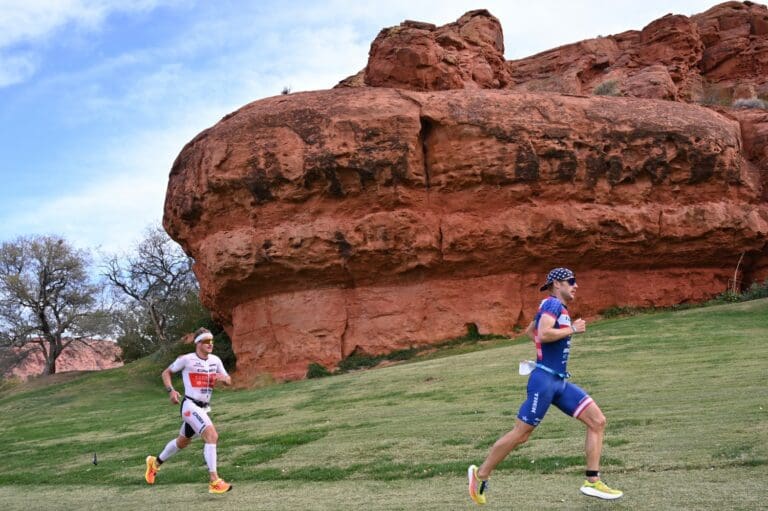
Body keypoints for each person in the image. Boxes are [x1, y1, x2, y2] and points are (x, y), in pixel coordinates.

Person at [467, 267, 623, 505]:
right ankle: (480, 475)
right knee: (521, 434)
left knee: (597, 421)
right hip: (544, 383)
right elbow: (543, 332)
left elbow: (532, 331)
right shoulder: (552, 305)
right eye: (572, 281)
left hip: (558, 382)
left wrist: (544, 350)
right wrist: (572, 329)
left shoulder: (555, 308)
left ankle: (592, 481)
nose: (576, 285)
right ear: (557, 284)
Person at [144, 327, 233, 494]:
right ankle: (214, 481)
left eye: (211, 341)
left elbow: (228, 379)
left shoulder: (215, 360)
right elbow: (166, 373)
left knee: (182, 442)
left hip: (203, 408)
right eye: (206, 341)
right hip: (189, 406)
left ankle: (154, 463)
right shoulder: (186, 359)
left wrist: (224, 380)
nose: (210, 344)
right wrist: (171, 391)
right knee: (212, 435)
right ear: (198, 343)